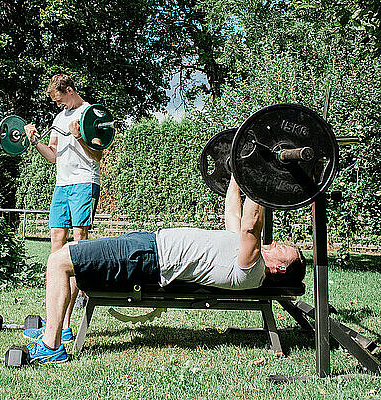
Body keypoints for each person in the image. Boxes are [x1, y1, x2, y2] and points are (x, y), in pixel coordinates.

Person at [23, 176, 307, 364]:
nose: (278, 244)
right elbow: (234, 213)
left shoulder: (252, 268)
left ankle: (52, 347)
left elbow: (250, 224)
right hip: (148, 245)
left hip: (147, 258)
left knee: (59, 261)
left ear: (280, 269)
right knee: (67, 260)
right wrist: (237, 173)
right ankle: (59, 330)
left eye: (284, 250)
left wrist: (261, 176)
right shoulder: (242, 251)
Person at [23, 74, 103, 344]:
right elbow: (53, 156)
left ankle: (65, 324)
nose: (58, 106)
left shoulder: (91, 114)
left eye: (59, 99)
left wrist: (80, 137)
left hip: (84, 184)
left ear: (69, 90)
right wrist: (35, 142)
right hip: (62, 186)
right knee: (56, 243)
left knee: (79, 245)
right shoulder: (58, 119)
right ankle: (52, 321)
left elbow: (97, 155)